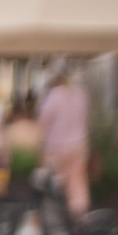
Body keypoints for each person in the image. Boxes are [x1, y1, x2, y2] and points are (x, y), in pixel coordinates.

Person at [37, 67, 93, 218]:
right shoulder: (81, 95)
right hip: (78, 144)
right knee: (77, 183)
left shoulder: (54, 95)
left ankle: (54, 216)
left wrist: (40, 147)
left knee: (51, 182)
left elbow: (43, 123)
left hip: (56, 146)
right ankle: (79, 217)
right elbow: (86, 120)